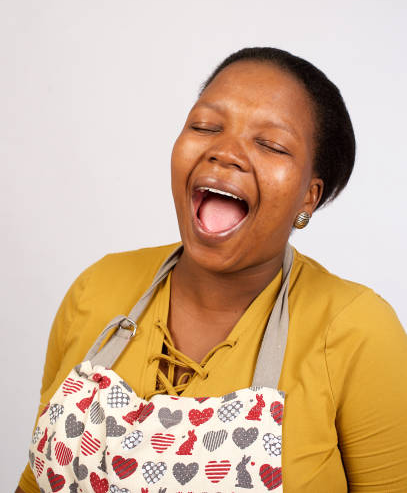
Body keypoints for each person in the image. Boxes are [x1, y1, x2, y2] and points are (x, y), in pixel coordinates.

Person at [17, 48, 407, 493]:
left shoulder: (356, 330)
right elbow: (36, 480)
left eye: (271, 145)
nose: (225, 152)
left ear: (308, 197)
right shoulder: (98, 287)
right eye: (205, 127)